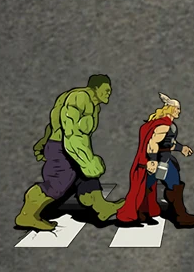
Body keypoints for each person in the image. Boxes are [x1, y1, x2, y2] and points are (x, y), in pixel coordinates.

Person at [14, 73, 125, 231]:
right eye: (106, 90)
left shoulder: (91, 103)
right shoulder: (80, 98)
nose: (109, 93)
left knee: (86, 178)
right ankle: (27, 215)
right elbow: (71, 132)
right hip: (63, 147)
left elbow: (56, 122)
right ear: (95, 88)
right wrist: (87, 161)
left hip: (70, 145)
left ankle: (102, 208)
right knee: (58, 182)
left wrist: (44, 141)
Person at [116, 91, 194, 227]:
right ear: (170, 109)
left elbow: (167, 144)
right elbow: (153, 143)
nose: (179, 111)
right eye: (177, 108)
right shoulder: (164, 125)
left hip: (161, 159)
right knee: (174, 185)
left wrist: (181, 148)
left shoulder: (167, 124)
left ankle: (143, 212)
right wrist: (153, 160)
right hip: (161, 161)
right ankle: (180, 215)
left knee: (147, 186)